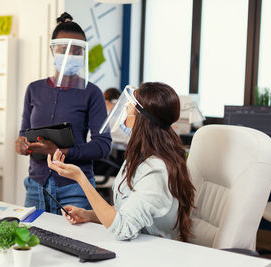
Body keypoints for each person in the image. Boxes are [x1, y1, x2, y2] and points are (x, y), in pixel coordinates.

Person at [47, 82, 195, 241]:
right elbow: (123, 211)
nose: (125, 110)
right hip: (135, 248)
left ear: (142, 118)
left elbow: (123, 228)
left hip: (154, 254)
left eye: (130, 106)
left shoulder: (156, 170)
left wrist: (80, 179)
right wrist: (87, 215)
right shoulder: (139, 157)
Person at [15, 12, 111, 214]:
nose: (69, 55)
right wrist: (21, 143)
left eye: (76, 51)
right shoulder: (34, 89)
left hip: (75, 187)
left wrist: (59, 153)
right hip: (35, 187)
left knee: (74, 245)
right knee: (31, 243)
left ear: (83, 54)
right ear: (52, 50)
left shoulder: (91, 93)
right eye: (63, 49)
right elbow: (24, 132)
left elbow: (103, 145)